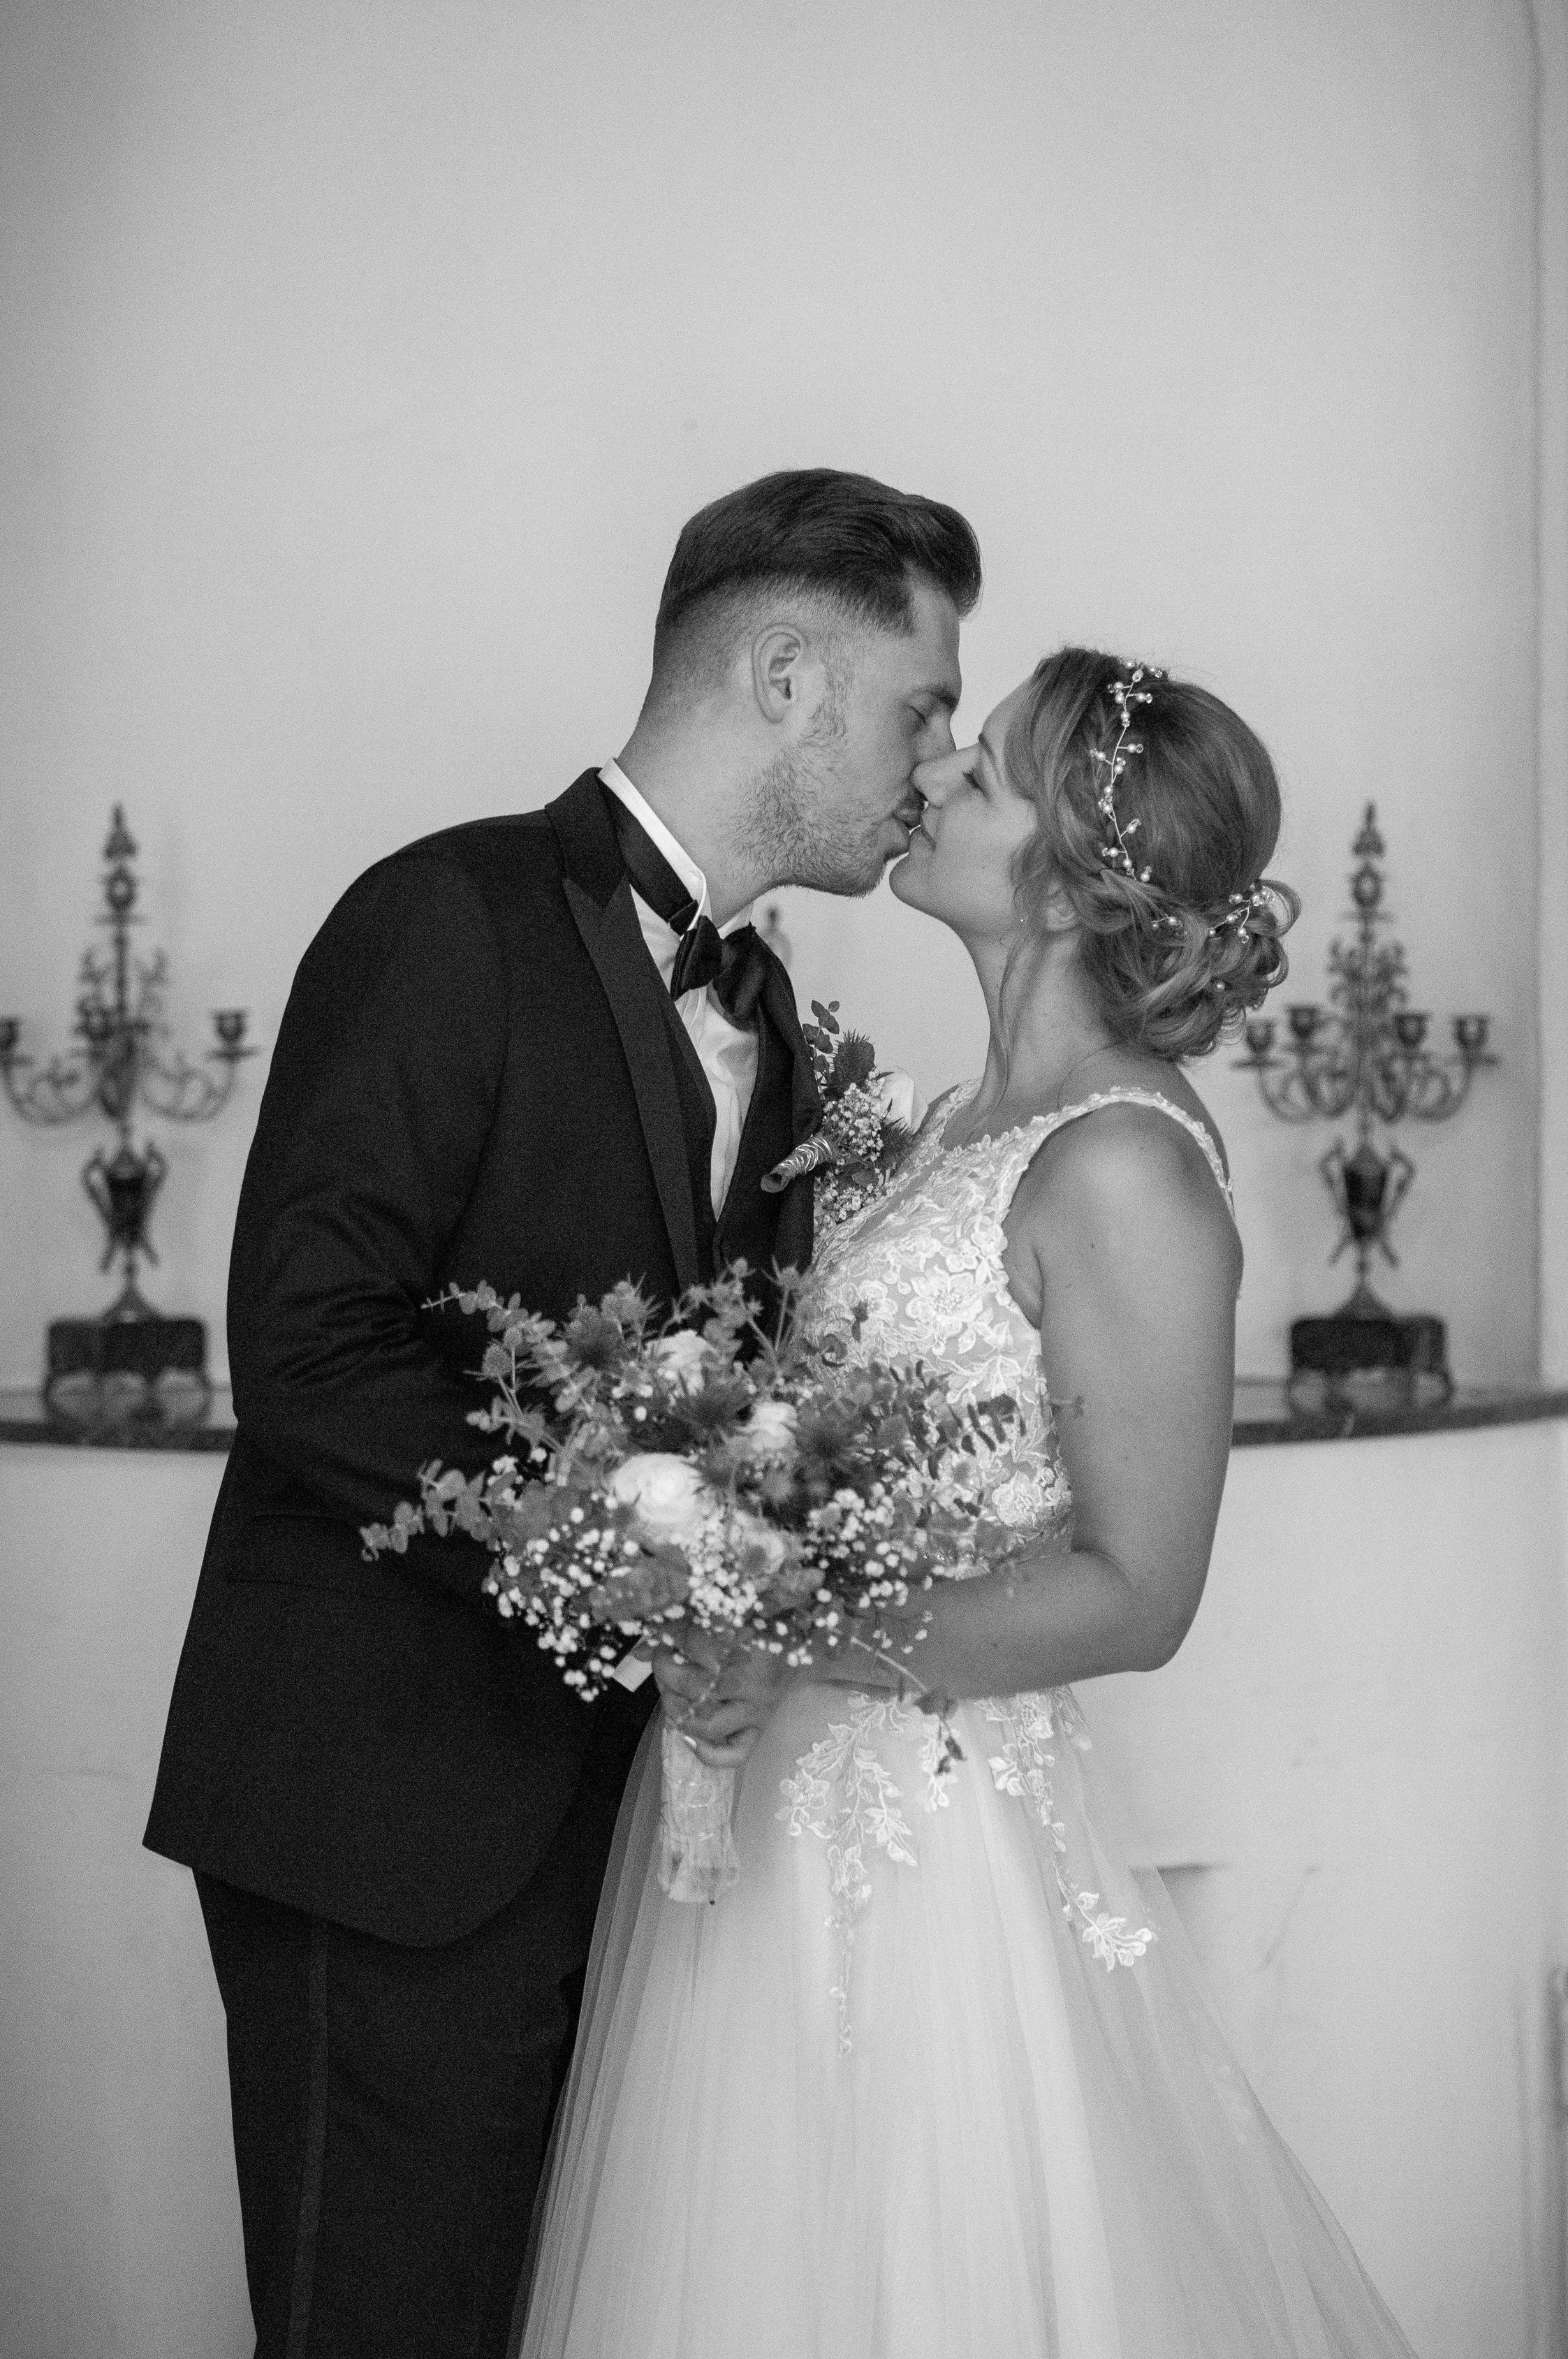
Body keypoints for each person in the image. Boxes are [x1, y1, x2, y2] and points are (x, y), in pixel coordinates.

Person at [142, 467, 979, 2359]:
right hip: (384, 1815)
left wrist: (761, 1525)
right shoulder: (443, 914)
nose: (929, 762)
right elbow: (304, 1341)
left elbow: (719, 1381)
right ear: (783, 671)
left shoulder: (770, 1010)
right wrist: (623, 1543)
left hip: (608, 1831)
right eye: (918, 705)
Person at [515, 648, 1417, 2358]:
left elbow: (1137, 1592)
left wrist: (792, 1631)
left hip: (928, 1844)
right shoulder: (945, 1129)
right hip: (773, 1809)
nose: (928, 776)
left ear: (1076, 878)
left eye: (981, 767)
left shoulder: (1125, 1167)